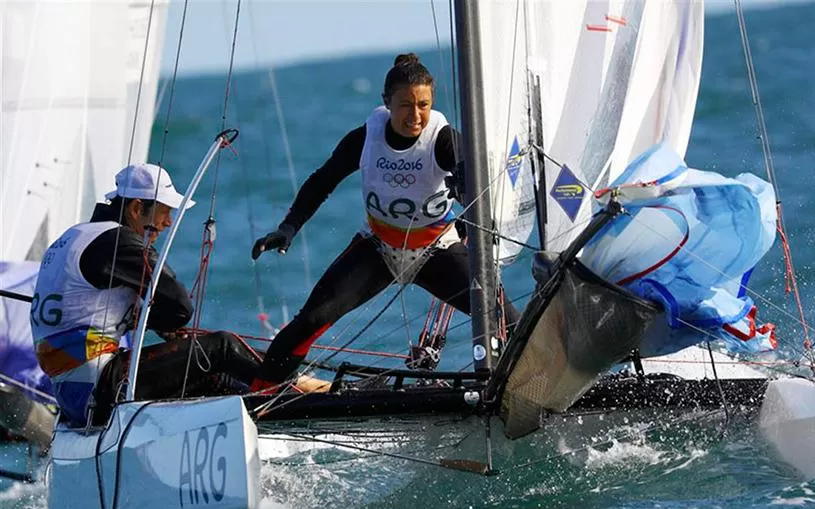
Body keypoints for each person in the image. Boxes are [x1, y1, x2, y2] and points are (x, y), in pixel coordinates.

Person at [251, 53, 519, 392]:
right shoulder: (366, 138)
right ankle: (258, 397)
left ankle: (535, 386)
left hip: (436, 250)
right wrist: (288, 228)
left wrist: (464, 189)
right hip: (378, 248)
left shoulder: (444, 138)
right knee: (312, 320)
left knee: (503, 320)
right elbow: (323, 180)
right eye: (406, 105)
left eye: (423, 104)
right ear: (387, 103)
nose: (416, 115)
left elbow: (476, 186)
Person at [30, 163, 328, 428]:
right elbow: (178, 306)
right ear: (136, 209)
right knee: (221, 348)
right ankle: (311, 397)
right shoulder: (117, 241)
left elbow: (85, 309)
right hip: (101, 389)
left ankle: (280, 411)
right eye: (164, 212)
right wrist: (159, 321)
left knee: (214, 375)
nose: (168, 223)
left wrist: (147, 319)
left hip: (74, 396)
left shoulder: (76, 236)